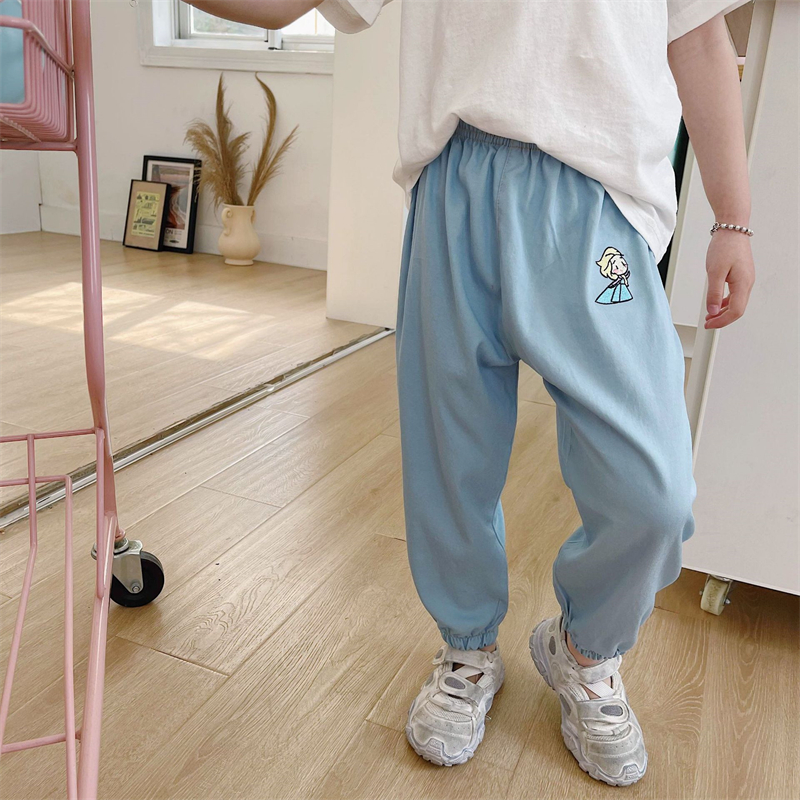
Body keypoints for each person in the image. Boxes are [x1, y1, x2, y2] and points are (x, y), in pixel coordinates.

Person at [190, 0, 756, 786]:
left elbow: (700, 41)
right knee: (449, 455)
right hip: (455, 181)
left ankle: (584, 652)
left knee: (653, 490)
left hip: (601, 206)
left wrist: (734, 219)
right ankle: (467, 648)